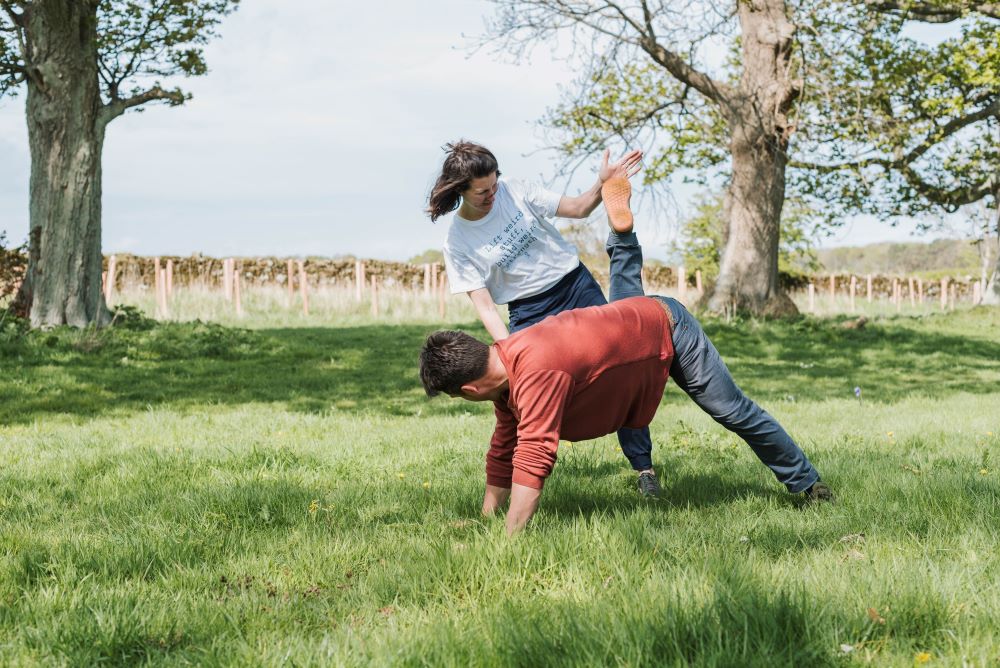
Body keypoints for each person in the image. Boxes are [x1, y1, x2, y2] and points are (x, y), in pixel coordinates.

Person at [419, 178, 834, 535]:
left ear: (471, 387)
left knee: (732, 410)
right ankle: (621, 241)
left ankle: (809, 485)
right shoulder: (505, 363)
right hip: (629, 327)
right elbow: (504, 445)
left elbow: (533, 454)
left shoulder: (534, 372)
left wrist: (507, 539)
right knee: (622, 308)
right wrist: (487, 516)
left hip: (670, 328)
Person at [425, 140, 663, 497]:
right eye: (482, 192)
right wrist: (509, 351)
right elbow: (486, 305)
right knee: (520, 400)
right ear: (460, 190)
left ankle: (644, 468)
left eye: (494, 184)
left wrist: (603, 183)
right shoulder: (458, 242)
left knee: (622, 371)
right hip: (528, 311)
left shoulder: (515, 190)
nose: (492, 194)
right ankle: (526, 483)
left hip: (575, 286)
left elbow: (580, 208)